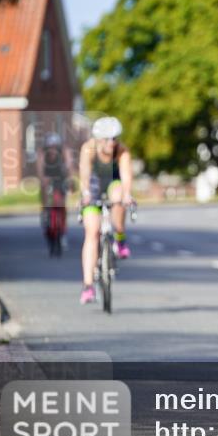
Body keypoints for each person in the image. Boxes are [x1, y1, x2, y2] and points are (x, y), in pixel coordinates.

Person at [79, 117, 134, 305]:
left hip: (113, 183)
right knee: (92, 232)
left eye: (115, 138)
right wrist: (86, 194)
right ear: (98, 139)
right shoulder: (88, 149)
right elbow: (84, 174)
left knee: (119, 196)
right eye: (107, 139)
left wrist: (127, 194)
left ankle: (120, 237)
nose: (112, 142)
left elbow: (126, 176)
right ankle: (88, 286)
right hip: (93, 185)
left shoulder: (122, 151)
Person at [36, 131, 72, 220]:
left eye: (55, 147)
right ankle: (45, 209)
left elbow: (69, 164)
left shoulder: (64, 151)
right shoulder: (42, 153)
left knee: (63, 194)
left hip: (60, 174)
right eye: (50, 147)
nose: (52, 150)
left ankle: (63, 216)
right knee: (44, 187)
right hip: (47, 173)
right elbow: (40, 167)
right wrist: (42, 179)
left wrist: (69, 179)